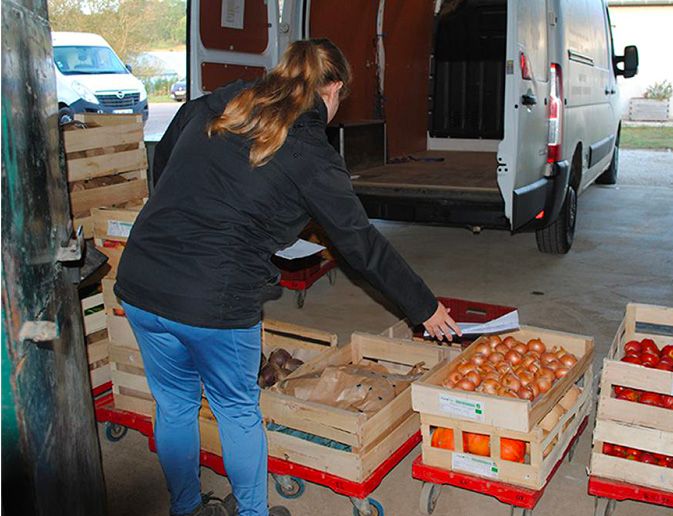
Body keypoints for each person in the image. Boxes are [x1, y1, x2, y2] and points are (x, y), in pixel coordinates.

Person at [114, 38, 462, 516]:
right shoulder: (311, 153)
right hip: (214, 299)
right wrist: (425, 306)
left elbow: (165, 159)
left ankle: (186, 507)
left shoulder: (222, 102)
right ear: (332, 89)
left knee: (174, 405)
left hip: (142, 279)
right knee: (237, 410)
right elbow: (361, 243)